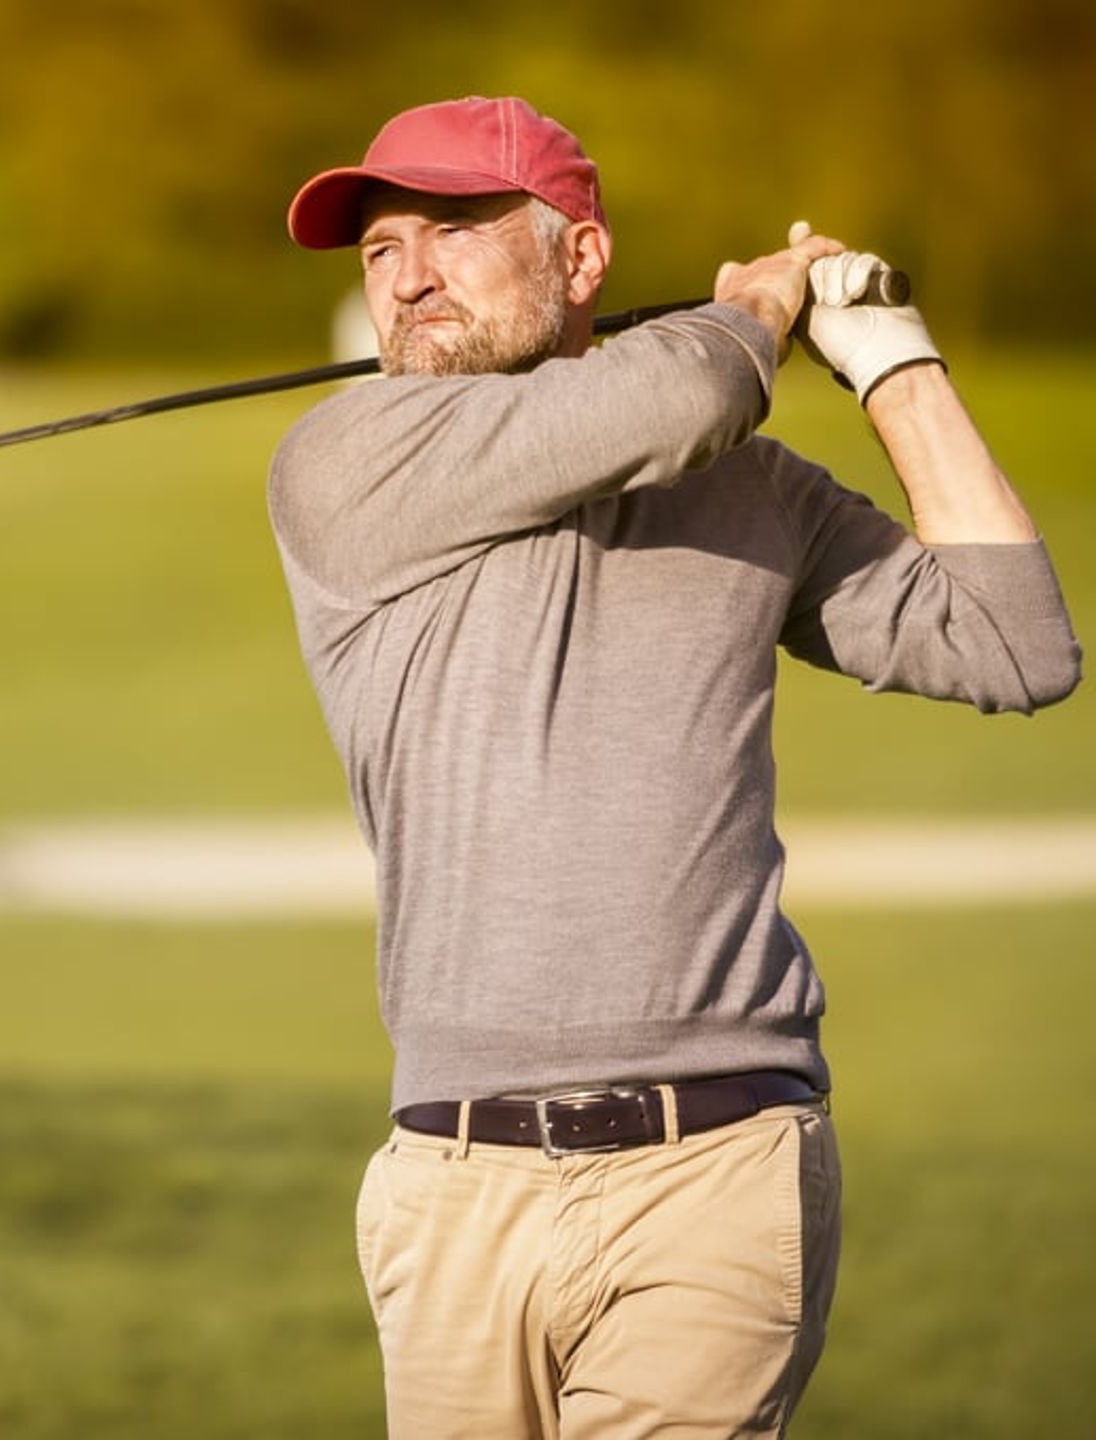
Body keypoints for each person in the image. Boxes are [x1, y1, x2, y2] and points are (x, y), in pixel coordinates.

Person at [267, 96, 1082, 1439]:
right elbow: (691, 384)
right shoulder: (347, 461)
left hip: (718, 1165)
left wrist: (889, 357)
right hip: (453, 1179)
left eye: (454, 231)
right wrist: (764, 311)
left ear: (580, 261)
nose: (406, 277)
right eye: (379, 250)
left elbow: (1015, 642)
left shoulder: (748, 489)